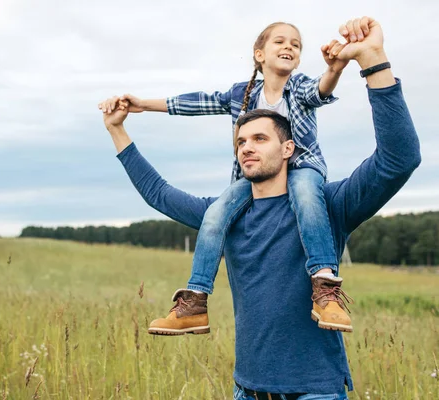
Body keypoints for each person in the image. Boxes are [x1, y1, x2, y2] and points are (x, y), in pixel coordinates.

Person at [100, 17, 421, 399]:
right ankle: (194, 303)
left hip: (316, 390)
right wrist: (117, 130)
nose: (247, 147)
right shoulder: (225, 214)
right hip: (248, 390)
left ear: (288, 149)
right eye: (241, 141)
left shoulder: (328, 205)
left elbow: (398, 160)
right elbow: (158, 192)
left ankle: (326, 290)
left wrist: (374, 61)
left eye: (260, 138)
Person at [99, 21, 360, 335]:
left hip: (303, 168)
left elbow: (321, 89)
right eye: (280, 41)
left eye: (296, 44)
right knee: (215, 213)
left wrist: (337, 68)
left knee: (306, 195)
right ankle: (195, 301)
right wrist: (143, 106)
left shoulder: (299, 86)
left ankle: (324, 288)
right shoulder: (242, 94)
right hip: (252, 183)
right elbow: (198, 103)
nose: (289, 47)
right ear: (259, 54)